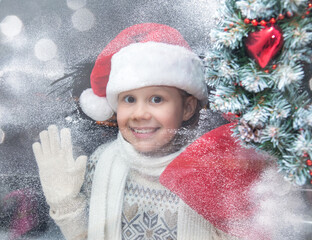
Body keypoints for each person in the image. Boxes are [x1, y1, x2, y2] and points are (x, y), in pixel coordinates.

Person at [32, 23, 266, 240]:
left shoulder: (212, 172)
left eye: (156, 99)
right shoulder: (102, 162)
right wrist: (66, 205)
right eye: (129, 99)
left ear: (187, 107)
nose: (139, 114)